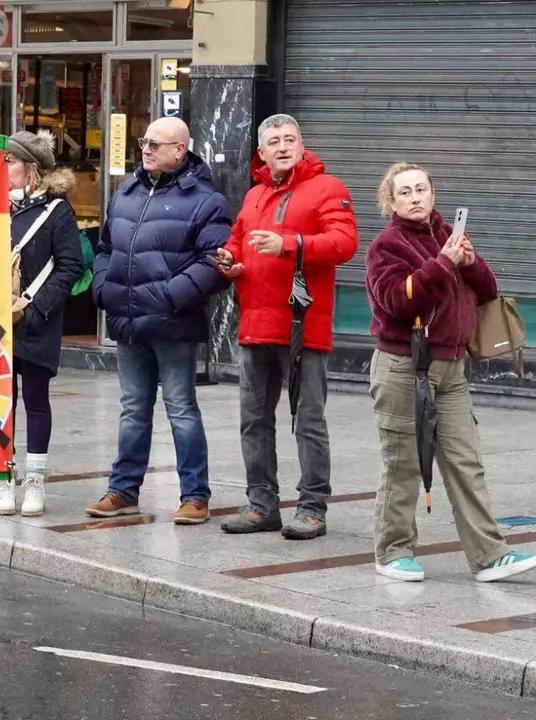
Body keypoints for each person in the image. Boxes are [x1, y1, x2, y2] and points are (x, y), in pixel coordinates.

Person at [364, 161, 536, 582]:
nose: (415, 197)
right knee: (403, 463)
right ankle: (392, 552)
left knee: (466, 462)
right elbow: (397, 301)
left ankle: (489, 555)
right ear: (391, 201)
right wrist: (442, 263)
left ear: (433, 194)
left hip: (452, 368)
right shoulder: (386, 245)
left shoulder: (449, 236)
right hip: (405, 368)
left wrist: (470, 261)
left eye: (421, 189)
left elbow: (488, 291)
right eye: (404, 192)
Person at [215, 113, 358, 540]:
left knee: (308, 420)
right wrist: (229, 261)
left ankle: (312, 507)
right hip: (256, 324)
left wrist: (290, 244)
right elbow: (238, 239)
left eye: (290, 139)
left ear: (301, 145)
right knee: (253, 421)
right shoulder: (255, 194)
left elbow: (344, 243)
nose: (282, 146)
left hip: (302, 327)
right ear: (261, 153)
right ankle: (262, 505)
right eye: (274, 141)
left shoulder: (327, 188)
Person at [86, 116, 233, 524]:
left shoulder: (207, 201)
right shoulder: (127, 191)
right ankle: (123, 490)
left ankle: (195, 496)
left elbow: (215, 263)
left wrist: (168, 297)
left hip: (172, 323)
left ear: (179, 151)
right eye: (143, 141)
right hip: (128, 319)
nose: (145, 149)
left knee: (181, 407)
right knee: (133, 407)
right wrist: (103, 288)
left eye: (155, 143)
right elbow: (104, 247)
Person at [0, 129, 83, 517]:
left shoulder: (58, 211)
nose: (3, 167)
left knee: (35, 400)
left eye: (9, 161)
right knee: (0, 401)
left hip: (36, 321)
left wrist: (36, 308)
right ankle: (1, 474)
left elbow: (70, 266)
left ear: (30, 168)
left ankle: (35, 482)